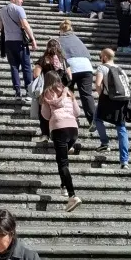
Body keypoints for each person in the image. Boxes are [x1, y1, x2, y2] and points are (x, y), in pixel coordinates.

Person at [40, 71, 82, 211]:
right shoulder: (68, 91)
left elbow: (45, 116)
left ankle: (72, 195)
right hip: (73, 129)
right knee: (62, 157)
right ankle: (63, 186)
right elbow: (77, 113)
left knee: (62, 162)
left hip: (59, 128)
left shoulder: (47, 93)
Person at [94, 48, 131, 169]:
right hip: (121, 101)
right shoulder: (120, 69)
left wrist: (101, 96)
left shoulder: (102, 67)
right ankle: (124, 161)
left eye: (100, 56)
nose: (100, 58)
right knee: (121, 128)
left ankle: (105, 143)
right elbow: (127, 83)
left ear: (104, 57)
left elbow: (98, 84)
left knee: (97, 119)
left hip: (107, 98)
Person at [0, 0, 37, 102]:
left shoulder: (2, 10)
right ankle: (29, 92)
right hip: (20, 41)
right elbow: (25, 25)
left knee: (14, 67)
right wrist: (33, 39)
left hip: (8, 42)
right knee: (26, 67)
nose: (22, 0)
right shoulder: (19, 9)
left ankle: (17, 92)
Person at [58, 18, 96, 125]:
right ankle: (93, 120)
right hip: (86, 67)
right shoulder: (77, 39)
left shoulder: (59, 40)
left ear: (60, 30)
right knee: (86, 95)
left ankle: (71, 118)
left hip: (70, 68)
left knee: (68, 93)